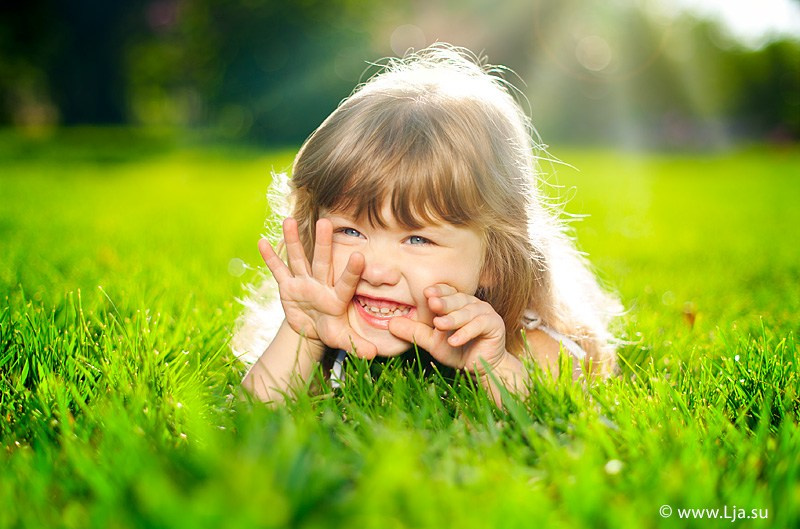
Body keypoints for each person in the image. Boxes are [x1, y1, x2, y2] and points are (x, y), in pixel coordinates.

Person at [234, 44, 621, 405]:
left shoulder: (528, 342)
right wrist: (302, 333)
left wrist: (495, 365)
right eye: (350, 232)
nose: (378, 271)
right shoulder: (325, 322)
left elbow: (564, 413)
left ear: (492, 261)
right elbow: (253, 416)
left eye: (417, 239)